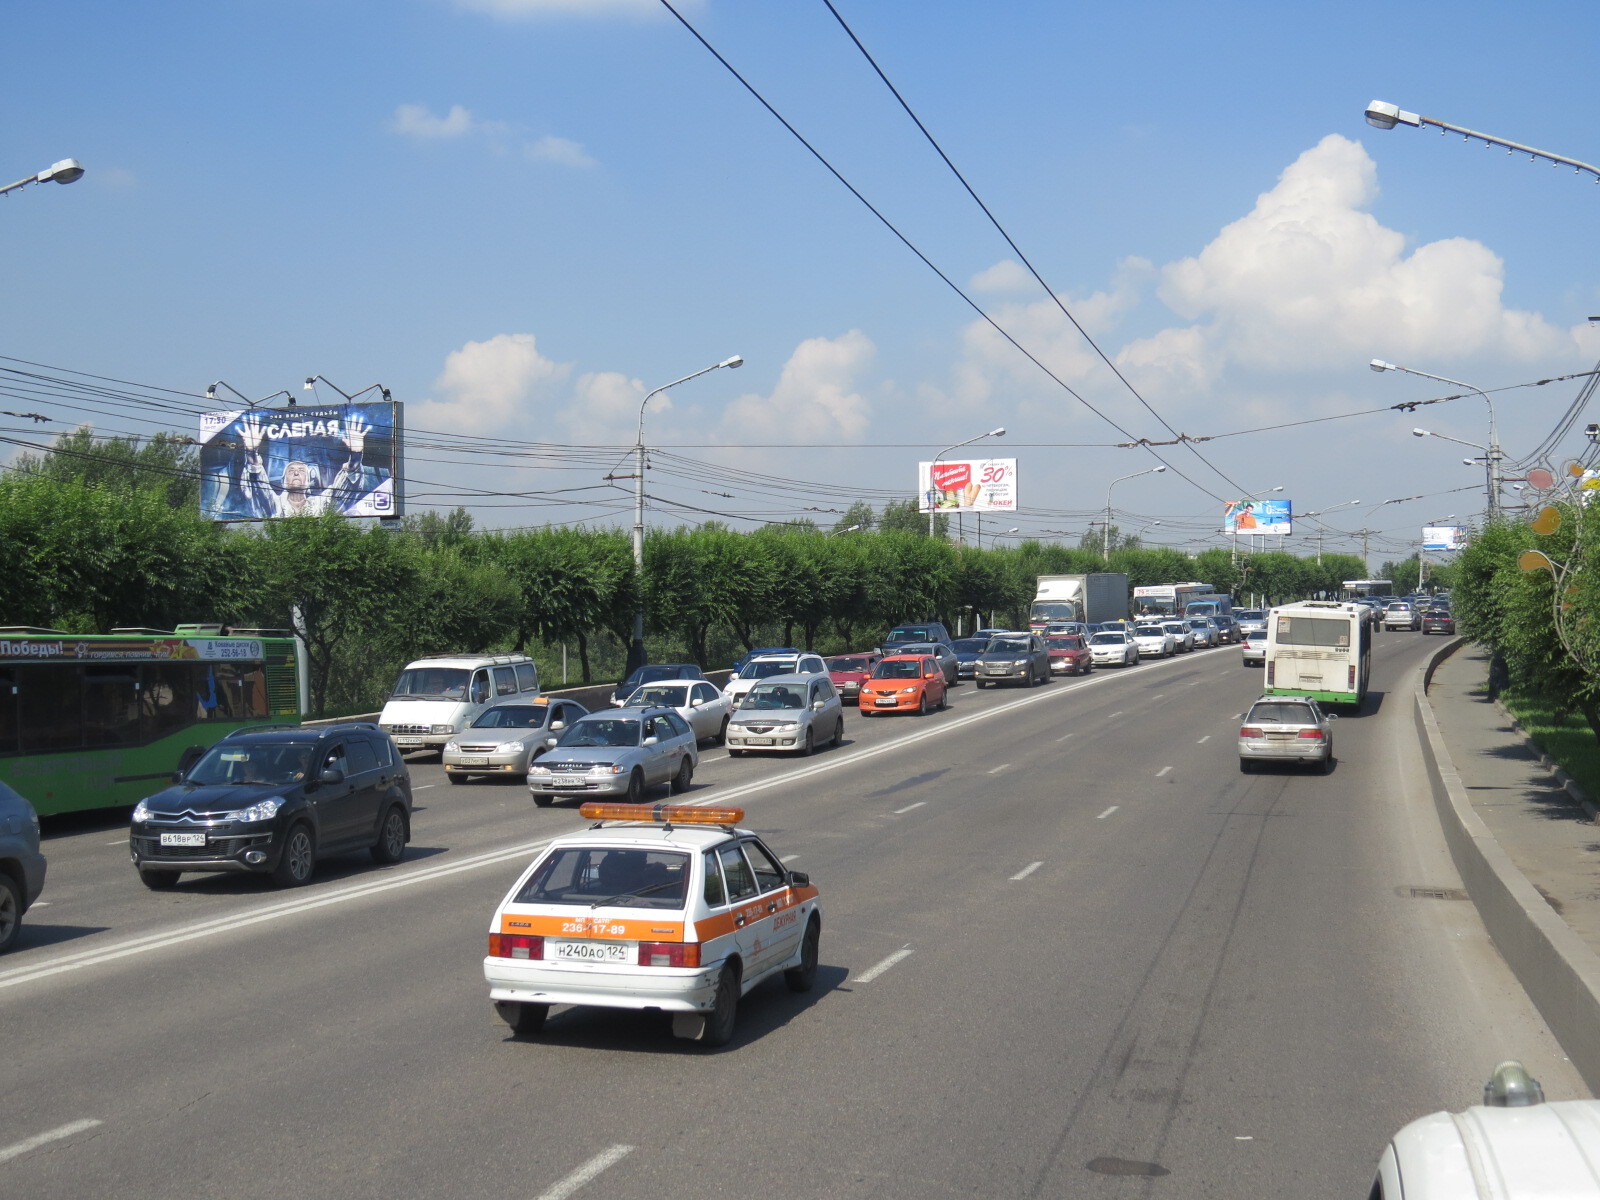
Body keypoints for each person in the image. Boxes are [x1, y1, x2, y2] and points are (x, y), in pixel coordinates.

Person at [239, 411, 369, 518]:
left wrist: (355, 455)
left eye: (301, 471)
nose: (296, 473)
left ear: (308, 481)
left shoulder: (320, 505)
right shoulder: (274, 505)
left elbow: (343, 490)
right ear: (283, 481)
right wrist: (251, 452)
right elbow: (260, 490)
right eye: (291, 471)